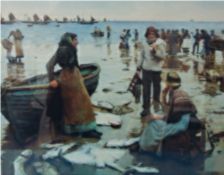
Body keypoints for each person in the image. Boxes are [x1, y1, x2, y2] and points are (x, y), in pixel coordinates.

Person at [46, 32, 102, 138]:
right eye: (75, 40)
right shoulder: (63, 50)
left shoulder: (69, 49)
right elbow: (49, 65)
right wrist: (52, 80)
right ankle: (82, 131)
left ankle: (87, 129)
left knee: (83, 104)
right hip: (68, 80)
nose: (77, 42)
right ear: (70, 40)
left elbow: (51, 66)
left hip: (74, 77)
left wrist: (54, 79)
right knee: (75, 107)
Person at [140, 72, 204, 158]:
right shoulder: (178, 92)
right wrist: (163, 95)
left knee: (153, 124)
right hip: (183, 120)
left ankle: (147, 147)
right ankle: (150, 145)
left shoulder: (176, 94)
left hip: (182, 124)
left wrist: (154, 117)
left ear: (168, 83)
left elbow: (172, 117)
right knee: (157, 116)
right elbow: (168, 110)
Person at [137, 26, 167, 117]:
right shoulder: (144, 43)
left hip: (156, 70)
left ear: (156, 35)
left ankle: (156, 107)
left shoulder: (160, 43)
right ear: (146, 35)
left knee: (156, 89)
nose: (151, 36)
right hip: (146, 70)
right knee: (146, 90)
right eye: (149, 34)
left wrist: (154, 51)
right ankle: (146, 109)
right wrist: (138, 66)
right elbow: (142, 56)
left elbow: (162, 56)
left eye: (153, 34)